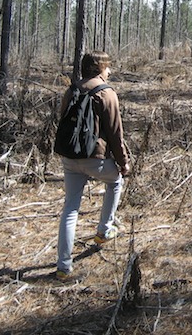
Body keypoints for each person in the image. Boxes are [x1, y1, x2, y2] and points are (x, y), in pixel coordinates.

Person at [56, 50, 131, 281]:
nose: (110, 71)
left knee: (70, 209)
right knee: (115, 182)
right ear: (100, 69)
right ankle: (104, 230)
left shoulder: (72, 89)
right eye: (108, 67)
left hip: (70, 158)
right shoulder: (107, 93)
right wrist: (123, 162)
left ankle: (63, 267)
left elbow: (63, 120)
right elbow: (115, 134)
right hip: (95, 159)